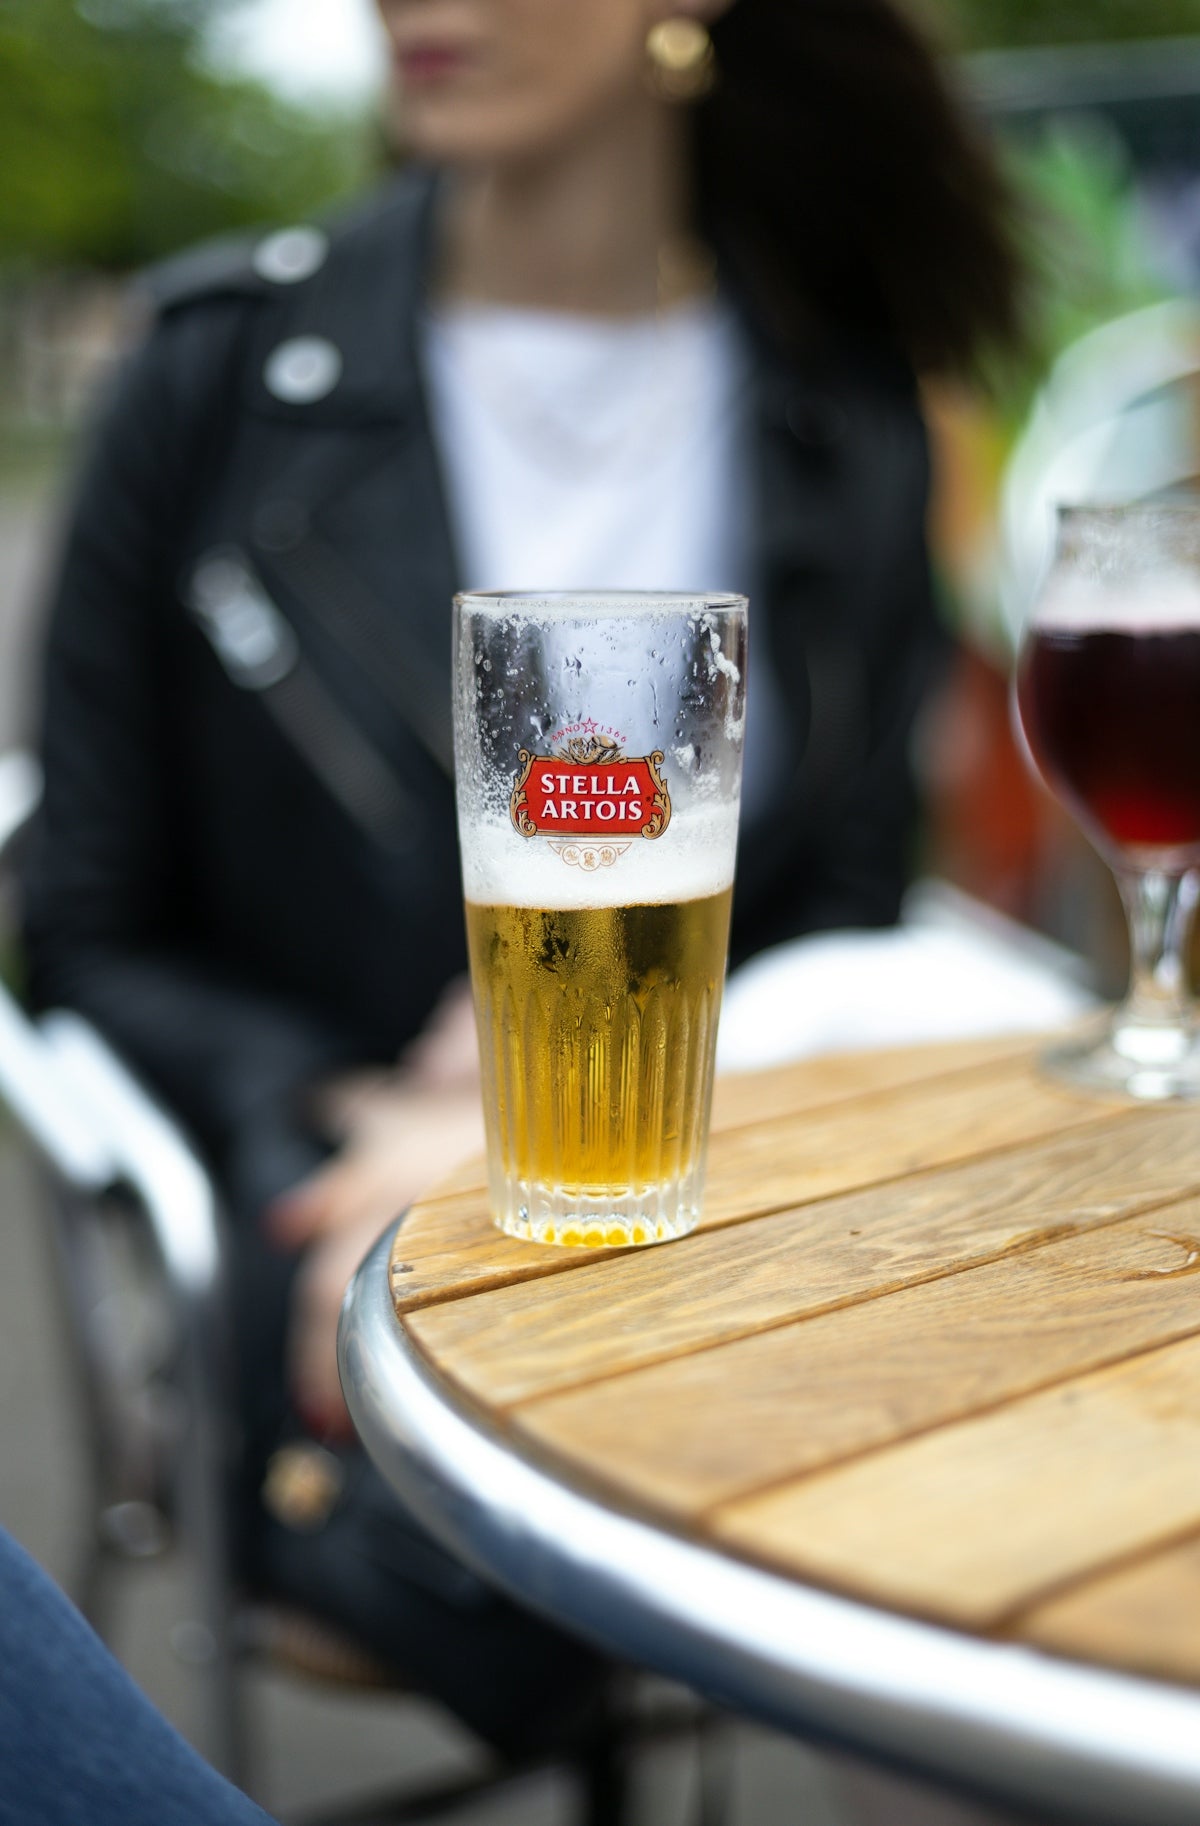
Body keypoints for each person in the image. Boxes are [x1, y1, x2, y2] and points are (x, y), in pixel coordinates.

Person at [20, 0, 1023, 1754]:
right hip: (338, 1237)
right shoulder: (213, 373)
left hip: (729, 1183)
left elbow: (854, 899)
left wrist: (605, 1097)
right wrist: (354, 1111)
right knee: (894, 1567)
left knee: (994, 1482)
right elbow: (82, 922)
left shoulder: (843, 406)